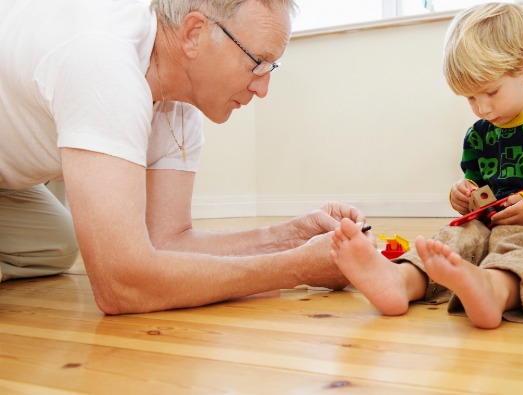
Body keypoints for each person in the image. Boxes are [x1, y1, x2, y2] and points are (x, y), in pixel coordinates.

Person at [0, 0, 366, 314]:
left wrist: (288, 238)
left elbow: (166, 242)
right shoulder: (104, 62)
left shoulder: (181, 102)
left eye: (271, 68)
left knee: (56, 245)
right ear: (194, 33)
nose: (262, 87)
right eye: (257, 62)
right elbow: (121, 284)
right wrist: (296, 269)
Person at [330, 2, 523, 329]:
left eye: (490, 92)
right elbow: (480, 187)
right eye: (469, 98)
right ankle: (401, 279)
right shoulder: (479, 135)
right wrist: (464, 195)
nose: (481, 108)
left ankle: (492, 289)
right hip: (492, 226)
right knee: (453, 241)